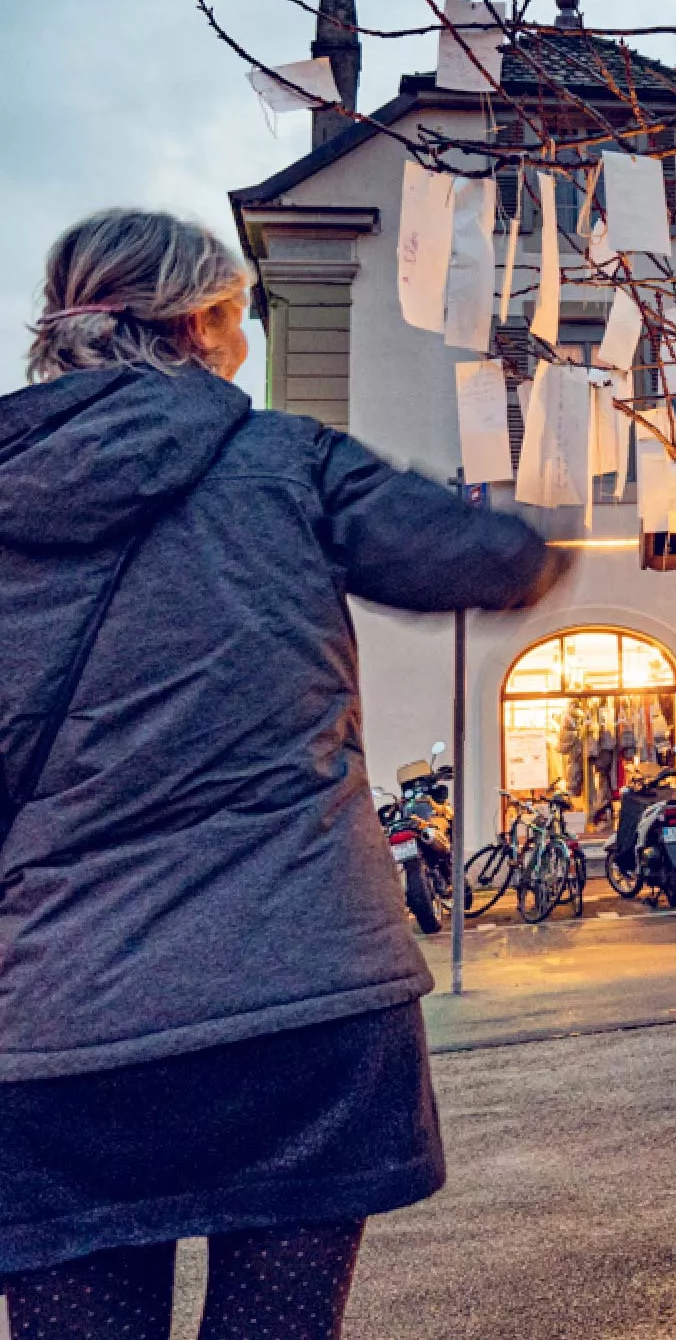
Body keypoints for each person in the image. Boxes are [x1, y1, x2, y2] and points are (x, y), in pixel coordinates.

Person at [0, 209, 571, 1340]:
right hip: (300, 1002)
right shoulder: (285, 461)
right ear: (201, 325)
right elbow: (492, 558)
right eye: (234, 319)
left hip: (62, 1035)